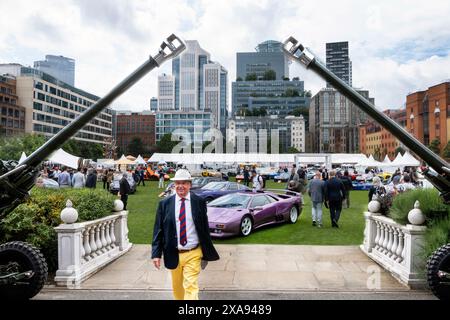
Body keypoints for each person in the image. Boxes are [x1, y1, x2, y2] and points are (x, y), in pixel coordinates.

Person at [151, 169, 220, 300]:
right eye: (178, 183)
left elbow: (204, 227)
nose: (181, 186)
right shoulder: (165, 204)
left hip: (193, 252)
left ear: (190, 184)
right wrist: (156, 254)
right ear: (174, 185)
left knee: (190, 286)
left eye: (184, 183)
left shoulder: (199, 202)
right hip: (173, 253)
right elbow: (158, 230)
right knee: (178, 289)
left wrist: (206, 249)